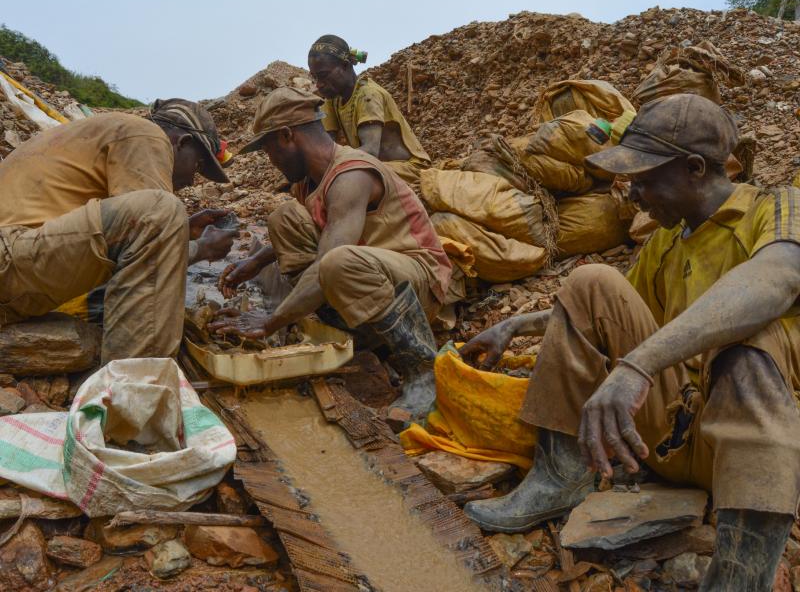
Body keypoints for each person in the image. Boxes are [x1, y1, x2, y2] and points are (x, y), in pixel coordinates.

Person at [459, 94, 800, 591]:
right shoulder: (668, 240)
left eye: (644, 179)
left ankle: (739, 576)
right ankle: (559, 479)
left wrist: (638, 365)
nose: (633, 195)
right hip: (664, 436)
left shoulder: (778, 207)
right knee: (590, 280)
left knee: (748, 348)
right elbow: (605, 308)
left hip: (750, 452)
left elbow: (777, 281)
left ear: (694, 168)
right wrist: (516, 326)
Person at [210, 87, 451, 421]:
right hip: (368, 274)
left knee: (337, 262)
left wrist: (272, 320)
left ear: (287, 135)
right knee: (284, 219)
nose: (271, 161)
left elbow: (329, 259)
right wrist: (254, 262)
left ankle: (423, 371)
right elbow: (319, 232)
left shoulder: (351, 174)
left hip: (417, 281)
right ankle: (352, 336)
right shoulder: (308, 182)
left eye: (269, 150)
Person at [0, 99, 237, 364]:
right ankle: (134, 385)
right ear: (182, 142)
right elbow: (152, 224)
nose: (193, 179)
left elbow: (127, 239)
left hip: (15, 258)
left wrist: (184, 230)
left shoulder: (107, 131)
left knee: (163, 215)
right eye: (198, 166)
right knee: (163, 210)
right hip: (10, 257)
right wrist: (200, 248)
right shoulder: (148, 135)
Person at [307, 34, 431, 185]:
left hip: (409, 169)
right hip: (374, 166)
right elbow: (326, 147)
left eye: (323, 75)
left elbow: (371, 151)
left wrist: (332, 164)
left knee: (347, 178)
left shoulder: (368, 95)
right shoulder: (333, 99)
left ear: (345, 66)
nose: (319, 84)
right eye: (315, 77)